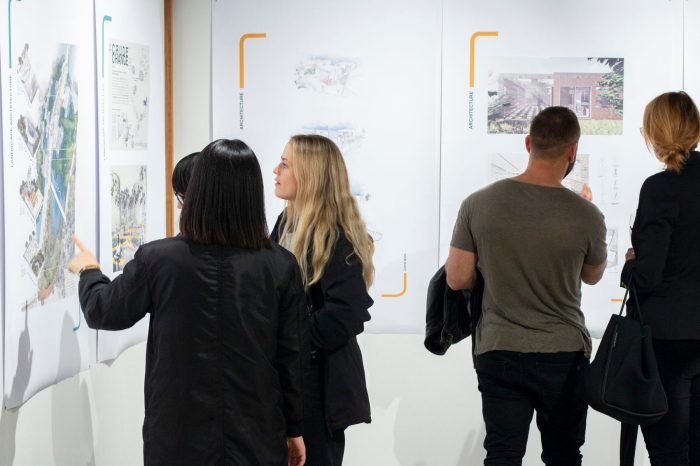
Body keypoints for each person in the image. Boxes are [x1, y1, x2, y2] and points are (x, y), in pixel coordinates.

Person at [68, 139, 308, 466]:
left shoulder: (160, 259)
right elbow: (290, 358)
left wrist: (88, 271)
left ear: (199, 191)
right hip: (257, 436)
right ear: (253, 194)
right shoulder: (280, 265)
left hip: (176, 438)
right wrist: (294, 429)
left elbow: (104, 310)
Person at [446, 106, 607, 466]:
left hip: (499, 348)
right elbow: (592, 275)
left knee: (502, 454)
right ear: (572, 151)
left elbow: (457, 277)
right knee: (564, 455)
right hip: (563, 352)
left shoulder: (478, 204)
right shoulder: (587, 214)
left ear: (527, 142)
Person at [271, 134, 374, 466]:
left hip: (317, 386)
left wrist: (290, 342)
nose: (275, 170)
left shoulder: (335, 235)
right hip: (287, 381)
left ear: (310, 174)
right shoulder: (286, 222)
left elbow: (346, 313)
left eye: (285, 164)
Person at [622, 91, 700, 466]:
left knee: (669, 451)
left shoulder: (659, 188)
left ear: (653, 134)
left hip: (669, 339)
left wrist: (629, 266)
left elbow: (649, 275)